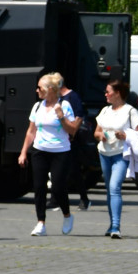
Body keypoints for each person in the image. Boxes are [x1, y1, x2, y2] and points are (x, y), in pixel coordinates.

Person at [18, 73, 80, 236]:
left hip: (60, 151)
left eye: (39, 88)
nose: (37, 90)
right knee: (39, 187)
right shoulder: (37, 106)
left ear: (50, 89)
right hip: (40, 150)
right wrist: (23, 152)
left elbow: (72, 131)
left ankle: (67, 215)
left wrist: (61, 117)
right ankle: (41, 223)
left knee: (58, 187)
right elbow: (31, 131)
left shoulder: (64, 105)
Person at [94, 80, 138, 238]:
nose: (105, 94)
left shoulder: (130, 111)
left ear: (118, 93)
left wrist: (125, 135)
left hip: (121, 153)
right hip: (104, 152)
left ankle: (116, 226)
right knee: (109, 190)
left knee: (114, 187)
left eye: (108, 92)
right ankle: (111, 225)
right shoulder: (105, 110)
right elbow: (96, 132)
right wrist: (100, 136)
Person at [53, 73, 94, 211]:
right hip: (60, 138)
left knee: (73, 170)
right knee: (61, 169)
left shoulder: (72, 97)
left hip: (71, 139)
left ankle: (84, 198)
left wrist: (72, 133)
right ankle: (56, 200)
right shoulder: (57, 98)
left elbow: (79, 117)